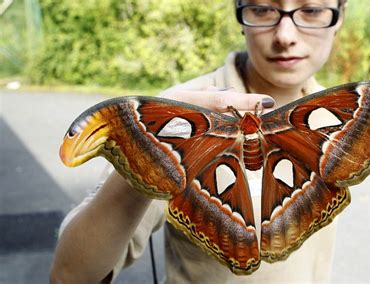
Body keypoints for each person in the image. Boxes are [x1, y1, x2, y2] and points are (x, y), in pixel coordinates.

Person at [50, 0, 347, 282]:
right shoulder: (183, 113)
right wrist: (145, 159)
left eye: (311, 10)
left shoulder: (337, 112)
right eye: (261, 8)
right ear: (240, 14)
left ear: (339, 17)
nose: (285, 35)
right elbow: (70, 276)